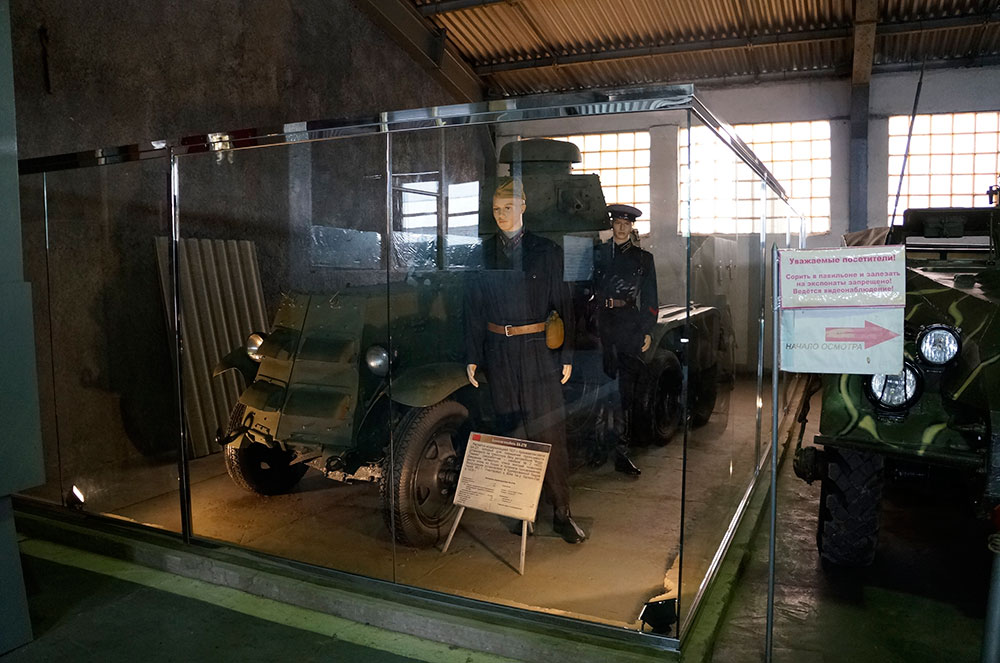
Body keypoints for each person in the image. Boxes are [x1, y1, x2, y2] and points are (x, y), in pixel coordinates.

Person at [464, 177, 586, 544]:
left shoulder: (546, 252)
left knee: (549, 432)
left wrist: (566, 355)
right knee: (510, 433)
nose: (501, 214)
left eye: (508, 207)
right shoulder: (481, 254)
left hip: (537, 352)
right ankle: (520, 511)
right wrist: (473, 356)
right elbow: (472, 310)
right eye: (496, 209)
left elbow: (564, 305)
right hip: (498, 354)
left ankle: (562, 512)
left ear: (523, 207)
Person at [593, 204, 658, 476]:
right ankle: (598, 448)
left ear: (632, 227)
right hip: (600, 324)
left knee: (626, 392)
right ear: (612, 224)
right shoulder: (597, 254)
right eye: (617, 222)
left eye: (626, 224)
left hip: (628, 326)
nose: (621, 228)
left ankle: (621, 452)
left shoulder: (643, 259)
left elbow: (651, 299)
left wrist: (647, 330)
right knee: (599, 388)